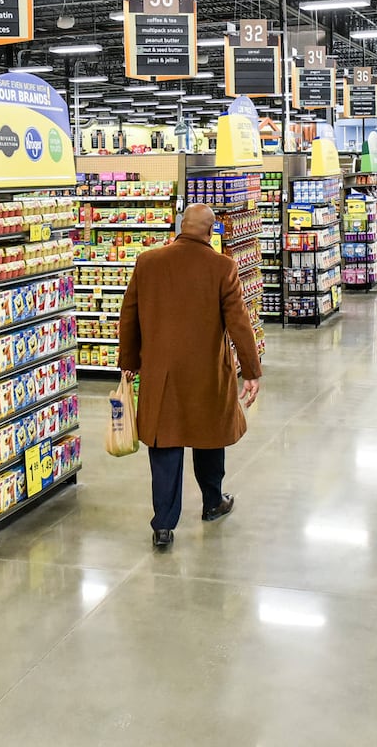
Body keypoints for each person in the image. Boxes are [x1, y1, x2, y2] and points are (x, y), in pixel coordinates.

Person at [118, 203, 262, 551]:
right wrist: (251, 370)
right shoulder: (222, 266)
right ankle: (213, 502)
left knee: (164, 443)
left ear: (180, 227)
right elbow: (238, 322)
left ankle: (164, 526)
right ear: (211, 233)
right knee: (209, 437)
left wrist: (128, 361)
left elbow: (129, 314)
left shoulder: (148, 262)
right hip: (206, 372)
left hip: (160, 373)